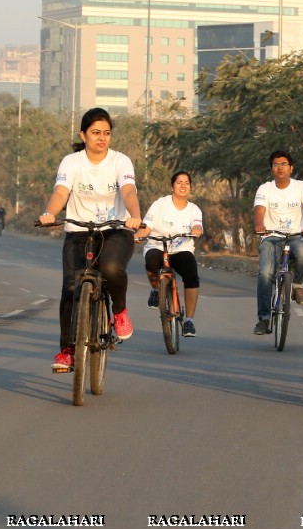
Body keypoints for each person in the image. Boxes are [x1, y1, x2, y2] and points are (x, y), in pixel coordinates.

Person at [39, 107, 142, 373]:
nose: (102, 138)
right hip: (78, 230)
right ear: (82, 134)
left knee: (109, 268)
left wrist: (135, 216)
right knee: (71, 289)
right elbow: (61, 191)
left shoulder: (121, 161)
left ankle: (119, 312)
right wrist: (50, 213)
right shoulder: (71, 162)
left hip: (116, 229)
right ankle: (67, 351)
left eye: (106, 133)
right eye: (95, 132)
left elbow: (128, 191)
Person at [137, 170, 204, 337]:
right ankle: (155, 289)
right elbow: (147, 225)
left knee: (191, 274)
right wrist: (138, 235)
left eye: (186, 183)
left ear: (190, 187)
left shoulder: (194, 209)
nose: (183, 186)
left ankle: (189, 321)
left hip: (181, 249)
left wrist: (197, 230)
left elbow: (197, 225)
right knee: (152, 260)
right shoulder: (160, 204)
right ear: (172, 186)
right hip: (159, 246)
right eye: (179, 182)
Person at [253, 150, 303, 335]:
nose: (280, 168)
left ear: (291, 168)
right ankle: (264, 319)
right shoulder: (265, 188)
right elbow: (259, 210)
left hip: (297, 235)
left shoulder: (301, 187)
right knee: (265, 274)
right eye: (276, 164)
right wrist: (259, 225)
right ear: (272, 168)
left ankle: (298, 286)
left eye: (284, 164)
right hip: (272, 236)